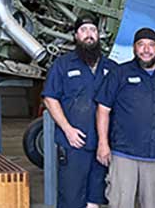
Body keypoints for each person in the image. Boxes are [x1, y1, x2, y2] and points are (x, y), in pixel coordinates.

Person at [95, 27, 155, 208]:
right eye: (141, 45)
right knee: (120, 203)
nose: (146, 49)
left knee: (153, 204)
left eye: (151, 45)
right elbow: (103, 109)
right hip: (124, 155)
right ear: (134, 48)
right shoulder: (119, 73)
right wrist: (102, 144)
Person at [42, 13, 118, 208]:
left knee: (96, 197)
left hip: (103, 144)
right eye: (84, 30)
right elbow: (50, 98)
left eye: (93, 30)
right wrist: (67, 129)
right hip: (74, 143)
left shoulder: (112, 68)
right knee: (71, 197)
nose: (89, 34)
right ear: (76, 36)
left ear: (98, 36)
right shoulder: (63, 65)